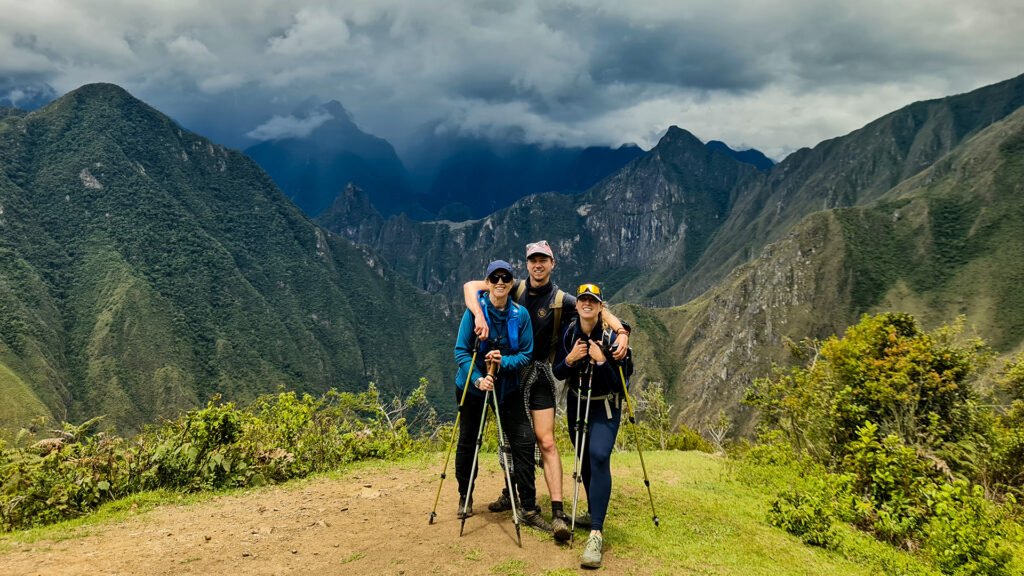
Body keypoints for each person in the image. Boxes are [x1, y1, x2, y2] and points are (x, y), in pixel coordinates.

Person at [462, 241, 630, 542]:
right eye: (532, 260)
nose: (538, 265)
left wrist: (621, 331)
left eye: (543, 260)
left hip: (539, 373)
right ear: (526, 264)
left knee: (546, 440)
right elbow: (471, 287)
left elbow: (596, 311)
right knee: (512, 439)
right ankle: (511, 493)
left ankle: (556, 509)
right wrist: (478, 314)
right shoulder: (513, 287)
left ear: (553, 263)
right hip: (509, 373)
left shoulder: (562, 299)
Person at [453, 260, 549, 530]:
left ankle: (528, 506)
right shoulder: (473, 314)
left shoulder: (520, 316)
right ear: (488, 282)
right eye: (494, 278)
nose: (499, 283)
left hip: (507, 388)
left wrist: (502, 362)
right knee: (469, 441)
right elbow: (460, 352)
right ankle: (465, 496)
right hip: (472, 388)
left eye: (505, 278)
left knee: (523, 441)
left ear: (510, 282)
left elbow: (526, 354)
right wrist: (478, 378)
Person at [552, 283, 632, 569]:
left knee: (599, 456)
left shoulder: (613, 338)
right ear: (578, 305)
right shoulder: (570, 333)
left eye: (593, 301)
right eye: (583, 299)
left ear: (600, 307)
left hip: (604, 406)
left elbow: (620, 386)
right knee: (584, 459)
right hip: (577, 403)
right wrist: (571, 360)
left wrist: (601, 362)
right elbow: (558, 370)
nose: (587, 304)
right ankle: (593, 510)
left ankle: (596, 533)